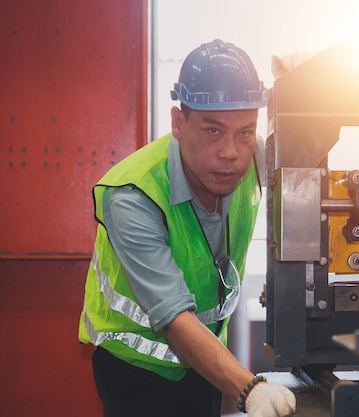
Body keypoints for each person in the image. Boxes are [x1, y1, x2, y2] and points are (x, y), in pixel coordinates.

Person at [78, 39, 296, 417]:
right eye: (213, 131)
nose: (231, 151)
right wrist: (251, 390)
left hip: (204, 362)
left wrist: (314, 90)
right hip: (136, 373)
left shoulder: (251, 160)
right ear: (179, 123)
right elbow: (174, 318)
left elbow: (307, 146)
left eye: (245, 132)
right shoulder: (133, 197)